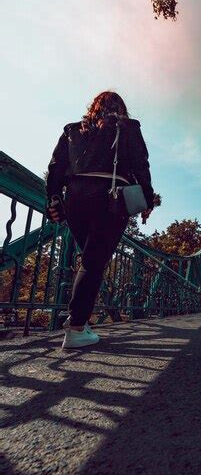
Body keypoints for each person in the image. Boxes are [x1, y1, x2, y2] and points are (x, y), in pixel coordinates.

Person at [45, 91, 157, 350]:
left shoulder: (72, 130)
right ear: (122, 109)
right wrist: (147, 201)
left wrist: (52, 197)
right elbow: (142, 166)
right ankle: (76, 327)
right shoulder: (128, 128)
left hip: (75, 199)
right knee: (94, 261)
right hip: (111, 200)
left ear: (93, 107)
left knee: (91, 259)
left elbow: (55, 168)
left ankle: (77, 322)